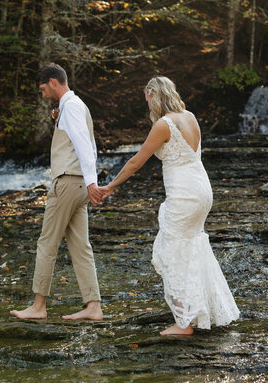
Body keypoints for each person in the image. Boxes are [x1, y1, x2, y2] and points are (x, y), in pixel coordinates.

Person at [99, 76, 239, 335]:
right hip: (202, 191)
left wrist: (110, 186)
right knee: (192, 248)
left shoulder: (164, 125)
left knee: (171, 251)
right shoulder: (190, 116)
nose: (148, 105)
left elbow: (136, 162)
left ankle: (183, 323)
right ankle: (196, 312)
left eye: (148, 100)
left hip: (184, 194)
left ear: (155, 95)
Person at [10, 63, 103, 321]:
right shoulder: (73, 107)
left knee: (47, 242)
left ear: (53, 82)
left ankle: (39, 306)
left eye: (42, 89)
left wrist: (92, 182)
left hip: (68, 183)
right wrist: (89, 183)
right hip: (79, 185)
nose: (42, 94)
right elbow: (87, 145)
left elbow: (85, 145)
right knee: (80, 246)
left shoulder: (71, 107)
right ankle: (93, 306)